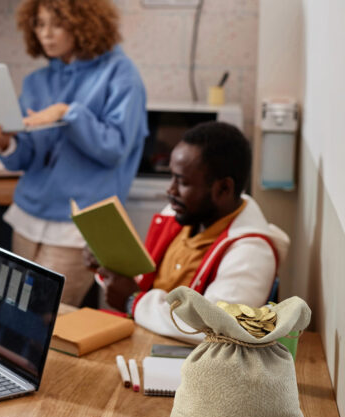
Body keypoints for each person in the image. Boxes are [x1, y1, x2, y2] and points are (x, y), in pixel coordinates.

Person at [0, 0, 148, 306]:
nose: (46, 33)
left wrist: (68, 113)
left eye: (57, 24)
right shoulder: (37, 81)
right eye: (39, 24)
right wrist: (7, 141)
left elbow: (115, 149)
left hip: (78, 225)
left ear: (83, 24)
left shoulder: (121, 74)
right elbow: (25, 158)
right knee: (10, 312)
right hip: (27, 216)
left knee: (44, 318)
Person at [97, 121, 289, 343]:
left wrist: (134, 302)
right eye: (172, 176)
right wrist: (107, 261)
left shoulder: (252, 253)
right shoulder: (179, 214)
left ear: (224, 188)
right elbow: (140, 282)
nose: (170, 190)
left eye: (183, 182)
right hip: (143, 339)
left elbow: (216, 326)